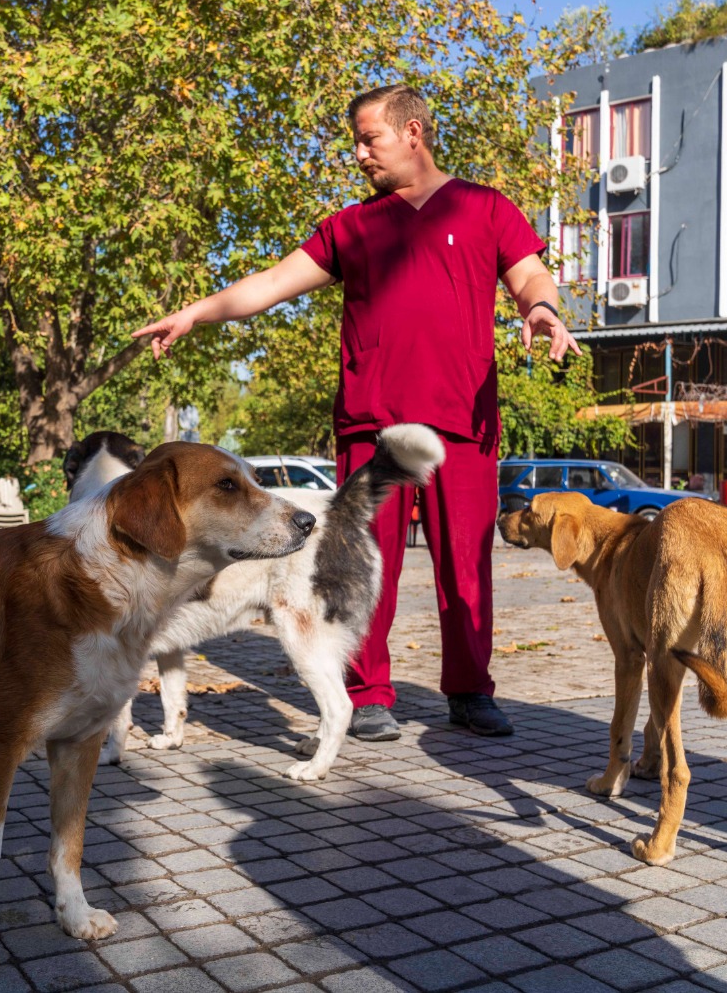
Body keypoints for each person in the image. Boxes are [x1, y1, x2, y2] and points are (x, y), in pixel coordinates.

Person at [134, 84, 579, 741]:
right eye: (357, 142)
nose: (360, 154)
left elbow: (530, 276)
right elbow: (270, 284)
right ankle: (367, 692)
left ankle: (470, 690)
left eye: (369, 139)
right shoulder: (352, 227)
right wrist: (198, 312)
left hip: (464, 419)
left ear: (413, 133)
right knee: (366, 560)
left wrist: (542, 310)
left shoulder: (484, 208)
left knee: (467, 563)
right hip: (375, 421)